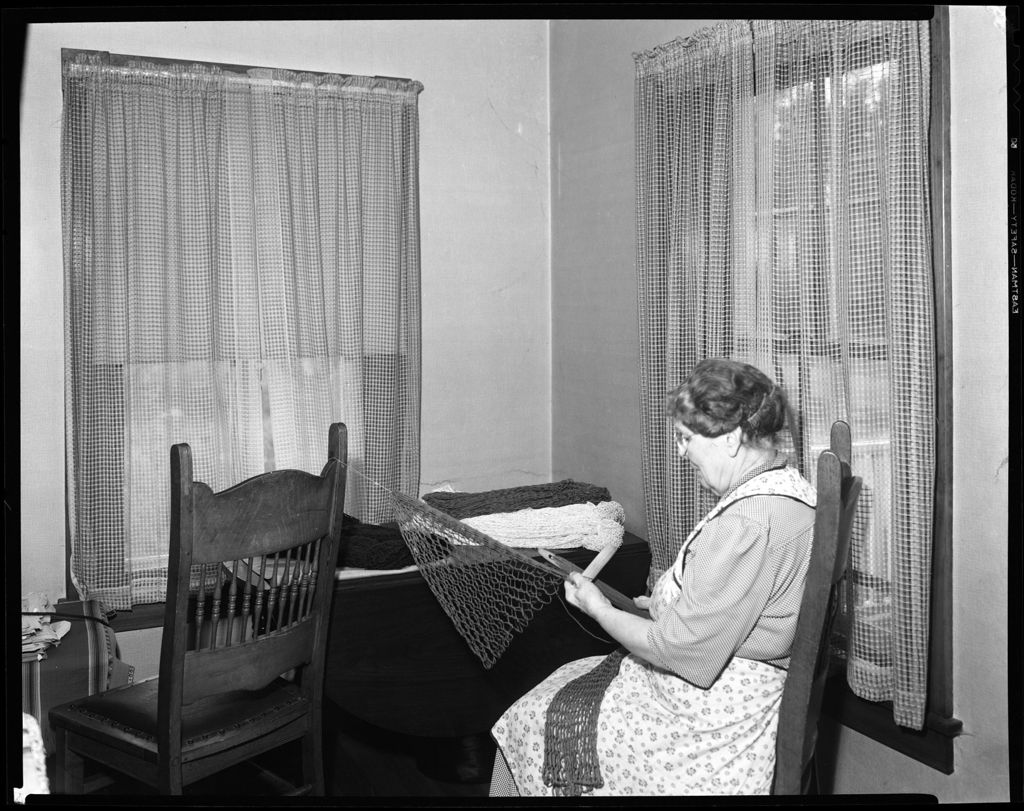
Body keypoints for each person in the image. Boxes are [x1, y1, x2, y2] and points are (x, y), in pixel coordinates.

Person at [489, 358, 817, 796]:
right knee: (561, 688)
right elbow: (741, 601)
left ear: (733, 438)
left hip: (714, 722)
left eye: (686, 438)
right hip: (742, 683)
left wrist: (599, 608)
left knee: (531, 716)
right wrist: (667, 604)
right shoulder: (787, 489)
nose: (681, 452)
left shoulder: (748, 524)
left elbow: (674, 651)